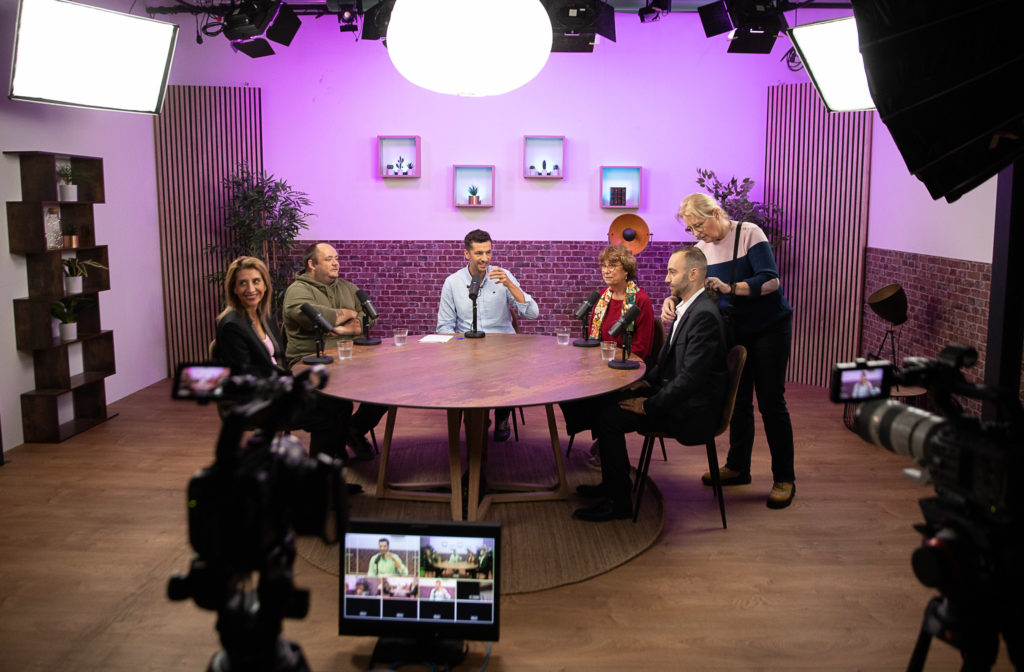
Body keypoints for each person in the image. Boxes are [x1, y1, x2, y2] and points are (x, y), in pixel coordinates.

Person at [574, 247, 728, 522]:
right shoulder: (688, 308)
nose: (666, 279)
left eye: (672, 272)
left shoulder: (703, 315)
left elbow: (690, 380)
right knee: (604, 402)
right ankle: (613, 484)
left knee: (609, 418)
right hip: (677, 393)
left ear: (693, 275)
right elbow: (667, 363)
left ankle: (619, 503)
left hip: (692, 410)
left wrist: (648, 405)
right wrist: (643, 383)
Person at [665, 193, 796, 509]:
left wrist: (730, 288)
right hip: (734, 330)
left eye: (699, 225)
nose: (697, 233)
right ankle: (738, 467)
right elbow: (690, 289)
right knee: (737, 401)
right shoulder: (700, 250)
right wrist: (672, 300)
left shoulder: (748, 233)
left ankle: (784, 478)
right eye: (691, 229)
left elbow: (771, 281)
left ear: (715, 213)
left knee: (771, 403)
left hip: (768, 328)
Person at [212, 256, 354, 464]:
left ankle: (333, 460)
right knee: (329, 412)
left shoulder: (263, 316)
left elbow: (279, 360)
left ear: (265, 285)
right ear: (233, 289)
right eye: (242, 283)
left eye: (256, 281)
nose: (251, 289)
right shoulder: (232, 325)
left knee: (340, 403)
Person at [282, 242, 388, 460]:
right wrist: (349, 313)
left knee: (388, 386)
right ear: (312, 264)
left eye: (336, 258)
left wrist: (344, 328)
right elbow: (315, 318)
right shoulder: (297, 291)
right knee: (335, 402)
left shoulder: (347, 287)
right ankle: (330, 457)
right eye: (329, 259)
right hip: (310, 363)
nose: (336, 263)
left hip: (350, 359)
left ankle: (354, 429)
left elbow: (369, 317)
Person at [436, 229, 540, 441]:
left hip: (504, 349)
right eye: (479, 253)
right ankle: (476, 417)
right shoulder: (453, 282)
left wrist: (509, 284)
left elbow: (532, 313)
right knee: (468, 372)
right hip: (468, 349)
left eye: (488, 252)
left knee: (507, 366)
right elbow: (444, 327)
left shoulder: (503, 276)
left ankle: (502, 416)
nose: (485, 258)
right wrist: (459, 348)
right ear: (467, 254)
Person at [560, 244, 658, 447]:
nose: (606, 270)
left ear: (627, 269)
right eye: (604, 266)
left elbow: (642, 348)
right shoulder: (602, 297)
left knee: (601, 400)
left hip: (629, 368)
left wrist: (613, 370)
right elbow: (593, 338)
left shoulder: (640, 300)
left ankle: (603, 439)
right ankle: (600, 436)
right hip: (602, 365)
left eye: (612, 265)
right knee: (566, 388)